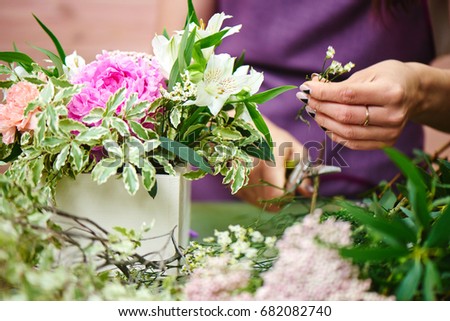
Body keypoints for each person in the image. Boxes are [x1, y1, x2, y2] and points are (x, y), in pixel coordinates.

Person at [156, 0, 447, 210]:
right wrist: (227, 126)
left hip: (380, 211)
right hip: (221, 200)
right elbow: (171, 64)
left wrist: (420, 89)